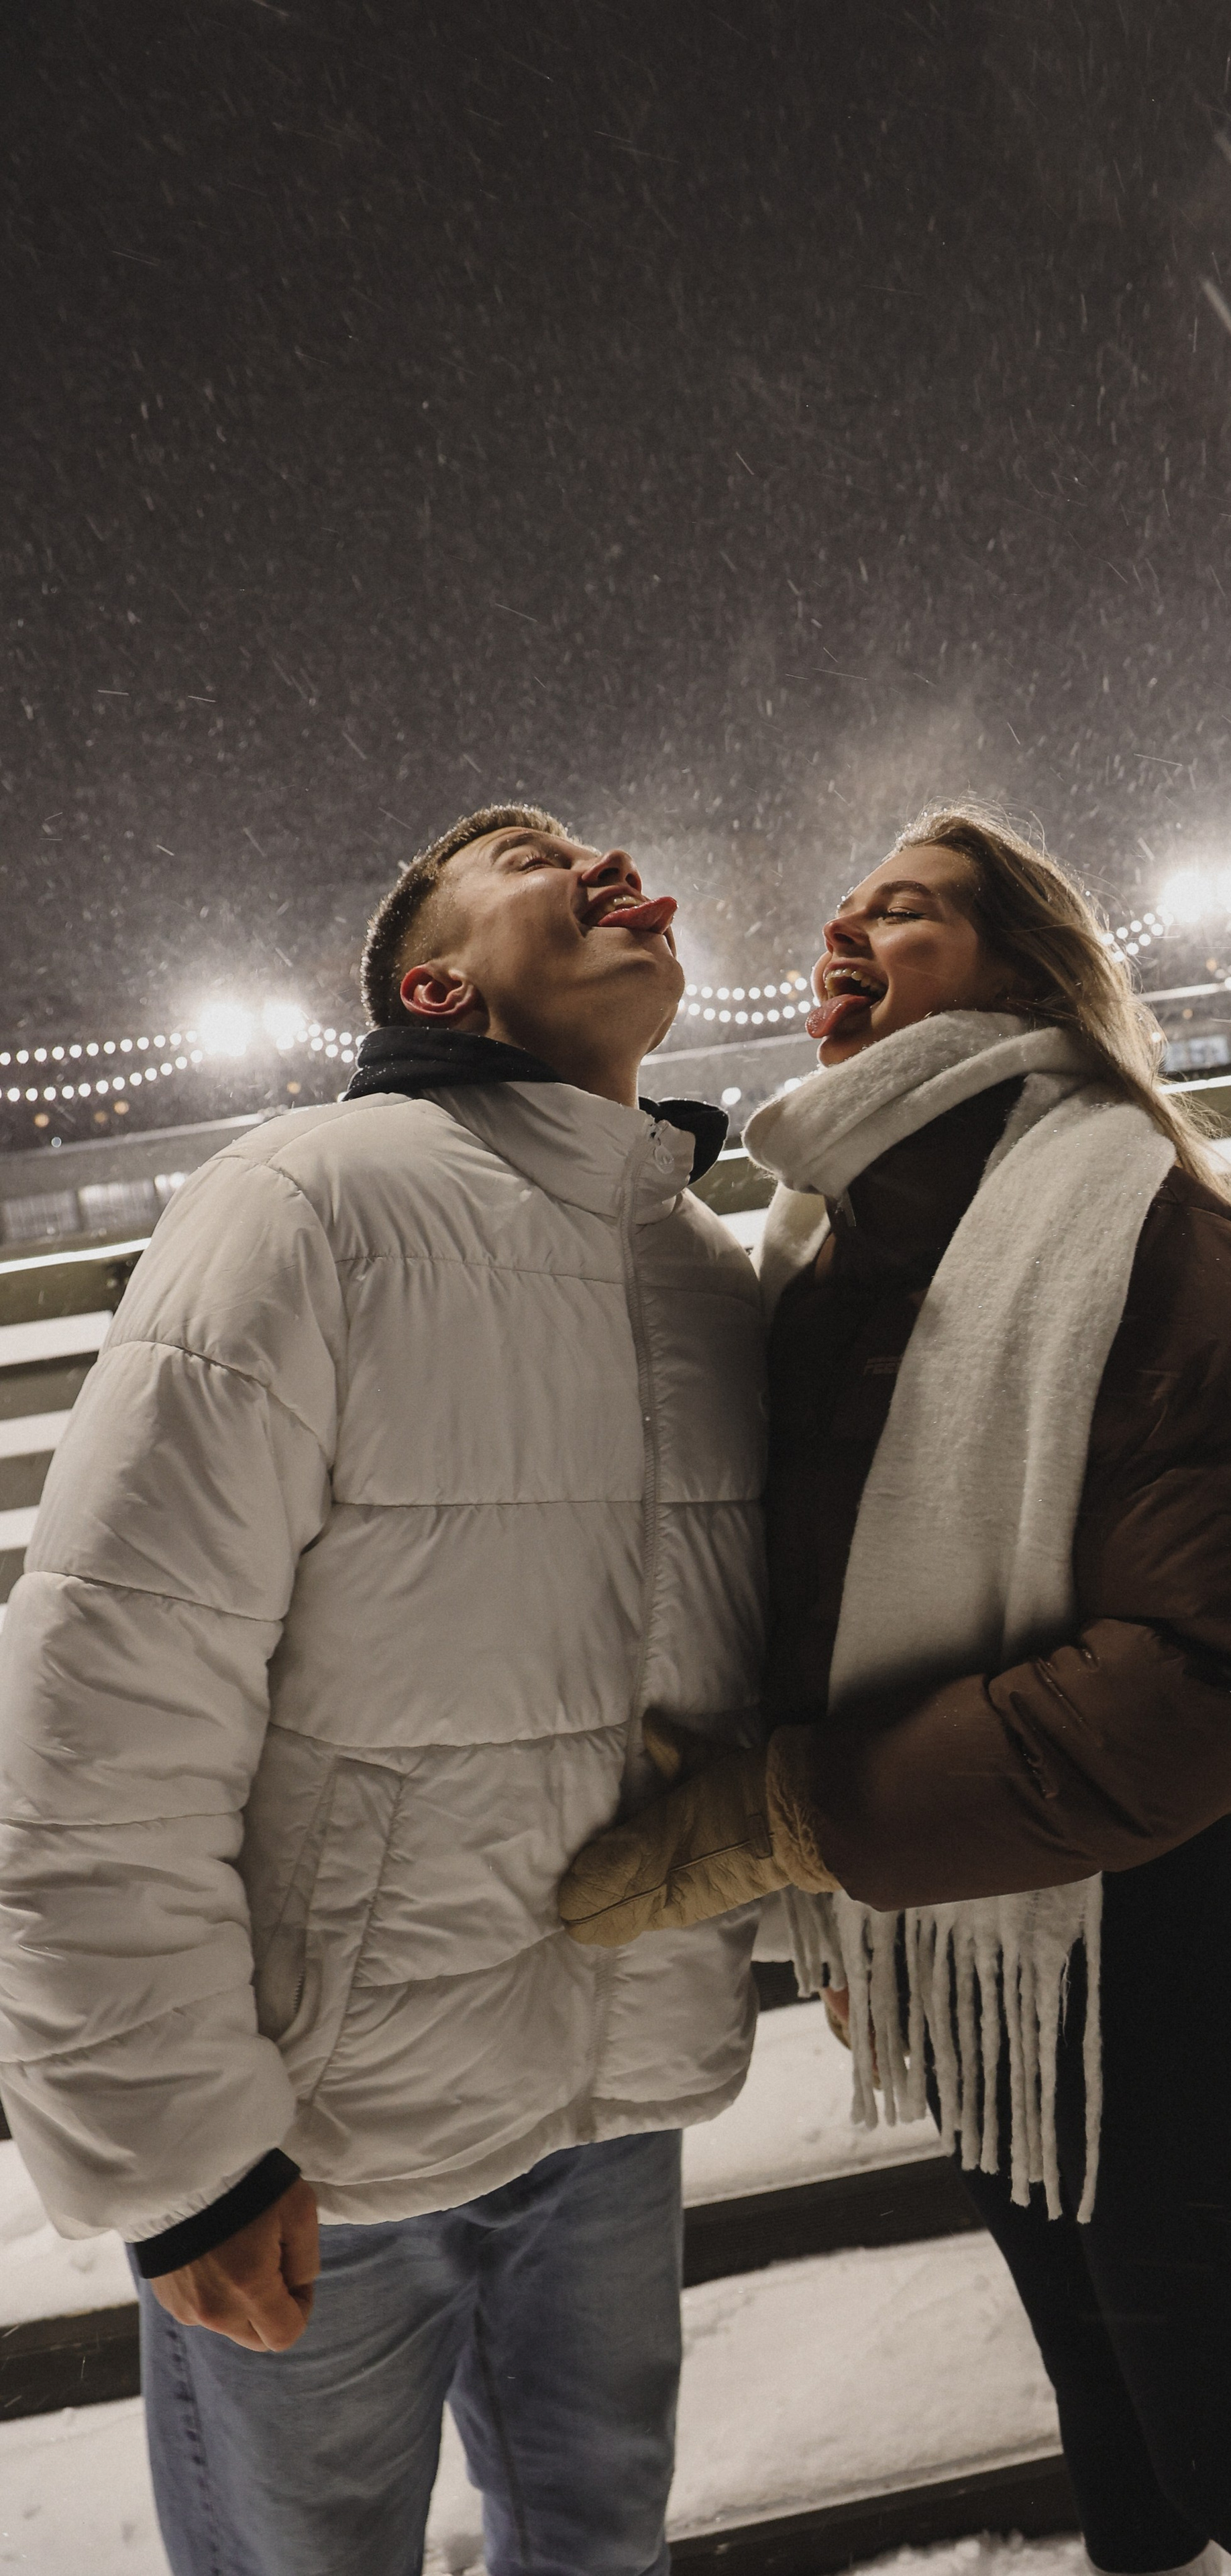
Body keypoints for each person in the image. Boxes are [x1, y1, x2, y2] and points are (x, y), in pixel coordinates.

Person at [558, 807, 1231, 2576]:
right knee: (1118, 2458)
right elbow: (803, 1582)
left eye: (907, 911)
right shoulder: (826, 1247)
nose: (845, 935)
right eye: (838, 912)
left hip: (1141, 1938)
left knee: (1227, 2458)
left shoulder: (1146, 1227)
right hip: (966, 1949)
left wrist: (811, 1811)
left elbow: (1202, 1677)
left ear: (1026, 970)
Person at [0, 805, 767, 2576]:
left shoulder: (698, 1272)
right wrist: (181, 2153)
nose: (597, 861)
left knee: (602, 2555)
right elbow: (105, 1697)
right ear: (440, 983)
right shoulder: (303, 1210)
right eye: (526, 853)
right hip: (322, 2149)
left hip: (610, 2108)